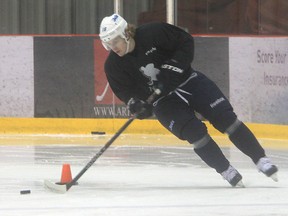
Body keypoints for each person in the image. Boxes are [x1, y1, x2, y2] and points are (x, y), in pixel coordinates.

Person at [99, 13, 278, 187]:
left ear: (126, 33)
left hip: (189, 81)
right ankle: (226, 170)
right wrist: (136, 105)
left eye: (115, 40)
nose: (113, 47)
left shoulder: (154, 32)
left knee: (226, 119)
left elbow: (185, 41)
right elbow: (126, 93)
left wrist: (173, 68)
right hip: (163, 102)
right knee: (195, 134)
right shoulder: (113, 66)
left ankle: (261, 159)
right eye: (108, 43)